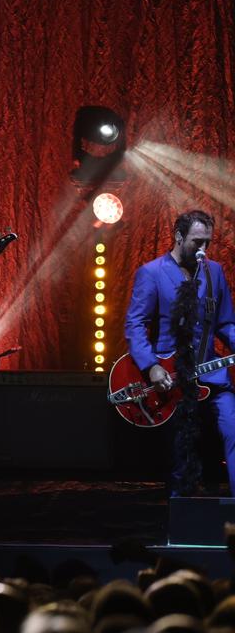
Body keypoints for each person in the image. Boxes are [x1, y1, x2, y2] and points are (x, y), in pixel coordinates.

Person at [123, 210, 235, 496]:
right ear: (178, 236)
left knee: (233, 428)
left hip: (210, 372)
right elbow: (136, 325)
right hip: (170, 378)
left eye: (207, 243)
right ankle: (180, 519)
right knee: (179, 450)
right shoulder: (152, 273)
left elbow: (224, 323)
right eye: (197, 242)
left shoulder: (215, 272)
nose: (203, 250)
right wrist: (150, 366)